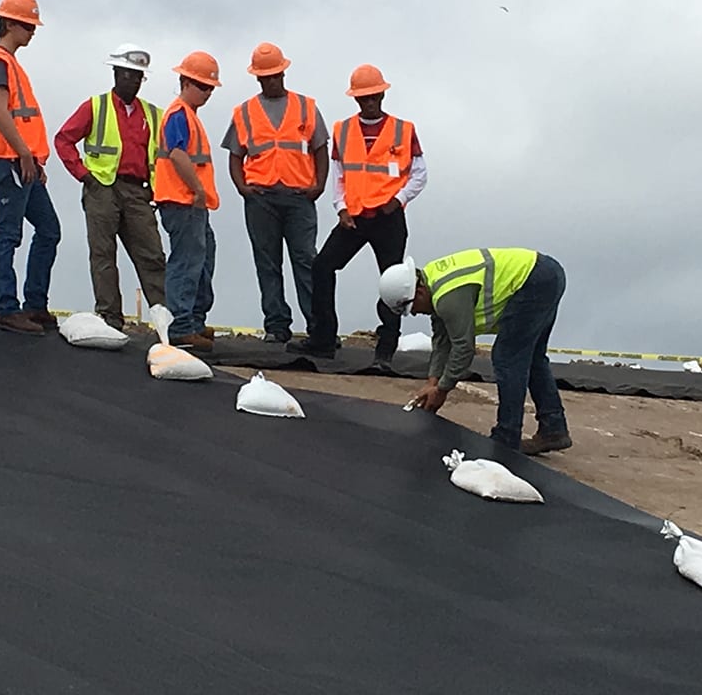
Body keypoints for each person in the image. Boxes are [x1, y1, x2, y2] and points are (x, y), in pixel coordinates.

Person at [289, 64, 426, 363]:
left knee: (393, 280)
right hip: (354, 216)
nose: (369, 102)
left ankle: (385, 350)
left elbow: (419, 173)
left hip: (388, 217)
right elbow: (339, 175)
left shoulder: (403, 130)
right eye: (364, 98)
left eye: (374, 96)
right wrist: (341, 208)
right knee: (322, 266)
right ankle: (323, 339)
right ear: (356, 99)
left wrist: (398, 200)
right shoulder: (343, 130)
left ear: (382, 95)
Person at [378, 248, 572, 455]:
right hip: (545, 273)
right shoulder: (433, 283)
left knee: (507, 357)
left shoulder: (448, 298)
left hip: (534, 281)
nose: (415, 314)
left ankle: (507, 438)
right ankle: (553, 429)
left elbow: (464, 348)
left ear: (419, 292)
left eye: (411, 307)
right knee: (532, 357)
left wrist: (442, 390)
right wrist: (431, 383)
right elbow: (442, 342)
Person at [222, 42, 329, 344]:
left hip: (299, 198)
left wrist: (319, 185)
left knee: (306, 260)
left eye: (274, 76)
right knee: (267, 263)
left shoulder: (306, 107)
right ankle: (276, 324)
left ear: (283, 73)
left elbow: (321, 148)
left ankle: (318, 326)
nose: (270, 81)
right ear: (257, 78)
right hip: (261, 198)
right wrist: (243, 188)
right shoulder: (245, 112)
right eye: (265, 77)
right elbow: (235, 155)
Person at [53, 43, 165, 331]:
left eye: (138, 76)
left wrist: (159, 190)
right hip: (102, 188)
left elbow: (165, 155)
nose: (134, 81)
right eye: (128, 74)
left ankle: (167, 318)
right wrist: (83, 175)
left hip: (138, 191)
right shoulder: (96, 106)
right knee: (103, 254)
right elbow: (63, 139)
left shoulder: (154, 114)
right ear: (115, 73)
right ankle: (110, 317)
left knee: (151, 254)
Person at [0, 0, 62, 335]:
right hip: (10, 161)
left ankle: (34, 305)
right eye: (28, 26)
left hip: (23, 163)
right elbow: (0, 111)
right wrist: (24, 153)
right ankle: (6, 308)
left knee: (49, 230)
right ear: (10, 24)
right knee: (7, 234)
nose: (32, 32)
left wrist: (33, 160)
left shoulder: (10, 65)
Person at [153, 51, 222, 351]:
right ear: (185, 82)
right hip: (182, 201)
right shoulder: (178, 114)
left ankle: (192, 320)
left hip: (190, 202)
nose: (207, 93)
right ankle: (181, 326)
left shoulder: (188, 115)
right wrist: (197, 189)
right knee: (187, 261)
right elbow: (177, 154)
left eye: (210, 88)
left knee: (202, 257)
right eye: (202, 86)